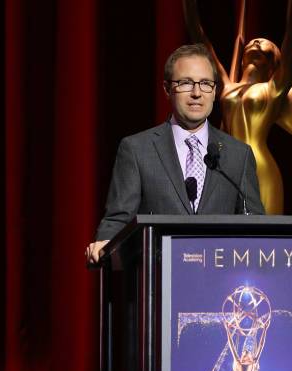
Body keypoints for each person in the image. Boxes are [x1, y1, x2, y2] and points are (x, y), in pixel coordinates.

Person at [86, 43, 264, 264]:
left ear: (215, 91)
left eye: (206, 84)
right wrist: (106, 241)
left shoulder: (239, 155)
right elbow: (119, 218)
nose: (197, 93)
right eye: (186, 83)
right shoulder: (137, 149)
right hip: (158, 282)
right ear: (167, 88)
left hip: (221, 286)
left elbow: (255, 224)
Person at [183, 0, 292, 214]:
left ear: (276, 62)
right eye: (254, 41)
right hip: (226, 167)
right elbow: (198, 36)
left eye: (265, 44)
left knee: (266, 237)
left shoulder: (274, 89)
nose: (257, 42)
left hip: (260, 166)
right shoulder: (227, 86)